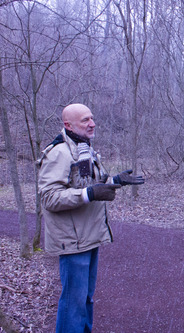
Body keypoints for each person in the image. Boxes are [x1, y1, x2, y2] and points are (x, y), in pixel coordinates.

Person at [37, 103, 144, 333]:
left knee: (85, 300)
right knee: (73, 303)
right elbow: (49, 198)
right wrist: (89, 194)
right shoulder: (59, 153)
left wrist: (114, 181)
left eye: (92, 118)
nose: (92, 123)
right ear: (68, 125)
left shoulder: (84, 149)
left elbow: (89, 185)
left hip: (89, 236)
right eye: (85, 120)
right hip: (72, 241)